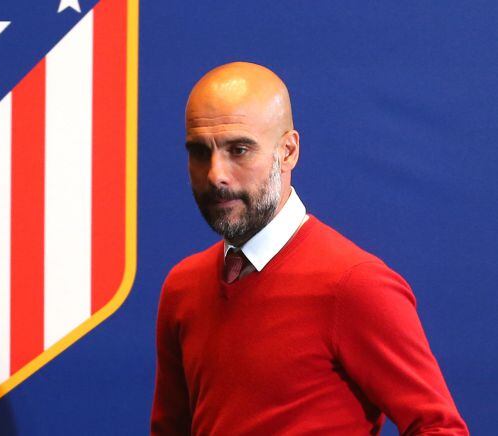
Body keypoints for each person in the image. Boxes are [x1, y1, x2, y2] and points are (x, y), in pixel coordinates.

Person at [150, 62, 468, 435]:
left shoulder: (354, 284)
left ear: (287, 151)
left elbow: (438, 427)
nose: (215, 173)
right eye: (200, 151)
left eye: (239, 149)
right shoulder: (182, 286)